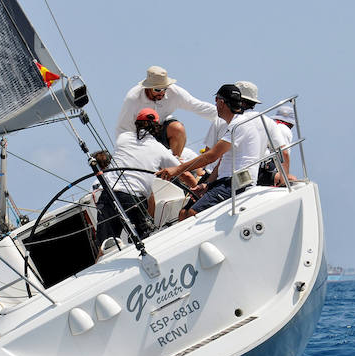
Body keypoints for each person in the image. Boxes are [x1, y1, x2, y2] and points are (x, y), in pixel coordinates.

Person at [155, 83, 270, 219]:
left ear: (220, 102)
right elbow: (222, 159)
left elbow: (211, 156)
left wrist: (176, 170)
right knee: (183, 214)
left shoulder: (238, 125)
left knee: (193, 214)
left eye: (215, 101)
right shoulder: (235, 123)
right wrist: (207, 185)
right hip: (227, 181)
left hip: (237, 183)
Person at [97, 108, 185, 249]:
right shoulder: (159, 149)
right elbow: (184, 172)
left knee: (104, 247)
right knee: (144, 244)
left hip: (108, 195)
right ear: (157, 127)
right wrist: (196, 185)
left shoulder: (123, 138)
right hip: (132, 199)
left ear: (137, 124)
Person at [115, 66, 216, 158]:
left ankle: (174, 165)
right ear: (148, 87)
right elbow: (124, 128)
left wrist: (228, 115)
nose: (162, 92)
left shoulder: (174, 92)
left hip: (161, 133)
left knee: (177, 128)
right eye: (158, 89)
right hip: (140, 139)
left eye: (165, 88)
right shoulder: (133, 98)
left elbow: (198, 106)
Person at [258, 103, 297, 186]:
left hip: (260, 165)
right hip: (267, 167)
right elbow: (284, 155)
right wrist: (284, 177)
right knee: (292, 179)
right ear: (292, 123)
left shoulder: (273, 127)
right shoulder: (285, 130)